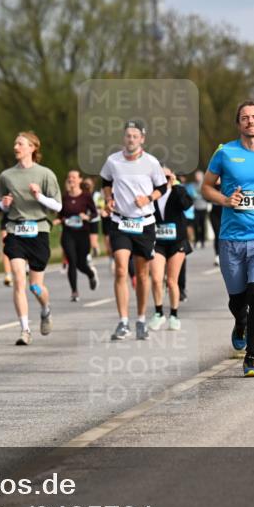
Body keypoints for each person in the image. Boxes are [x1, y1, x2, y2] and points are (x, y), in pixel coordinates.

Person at [202, 100, 254, 377]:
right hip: (231, 238)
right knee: (238, 301)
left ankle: (251, 358)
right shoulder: (225, 153)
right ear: (239, 124)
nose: (250, 121)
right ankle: (240, 322)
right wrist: (226, 200)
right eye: (244, 117)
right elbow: (205, 188)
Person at [101, 120, 167, 341]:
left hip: (144, 223)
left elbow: (162, 187)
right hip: (120, 222)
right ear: (124, 138)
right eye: (128, 136)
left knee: (141, 274)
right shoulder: (113, 161)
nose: (131, 139)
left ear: (142, 139)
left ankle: (140, 320)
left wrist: (148, 198)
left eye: (135, 136)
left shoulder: (151, 162)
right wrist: (109, 199)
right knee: (120, 269)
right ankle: (123, 322)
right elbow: (105, 181)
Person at [0, 131, 62, 346]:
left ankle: (45, 309)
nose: (16, 147)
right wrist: (4, 204)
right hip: (15, 230)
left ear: (32, 147)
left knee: (35, 287)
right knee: (18, 279)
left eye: (20, 143)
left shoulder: (45, 174)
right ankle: (25, 329)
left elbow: (58, 206)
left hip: (39, 231)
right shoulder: (6, 176)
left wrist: (39, 196)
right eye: (15, 143)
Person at [148, 166, 192, 331]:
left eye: (167, 177)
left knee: (172, 281)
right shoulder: (151, 193)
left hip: (177, 241)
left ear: (172, 177)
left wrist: (175, 187)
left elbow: (187, 205)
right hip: (158, 241)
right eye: (161, 177)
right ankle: (159, 313)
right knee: (156, 279)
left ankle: (174, 315)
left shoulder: (178, 190)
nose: (164, 180)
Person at [55, 169, 99, 302]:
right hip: (68, 234)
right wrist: (58, 220)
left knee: (81, 263)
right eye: (69, 177)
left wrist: (87, 216)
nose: (71, 179)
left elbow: (95, 213)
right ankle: (74, 291)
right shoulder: (64, 197)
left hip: (82, 234)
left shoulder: (86, 196)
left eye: (74, 177)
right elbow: (60, 215)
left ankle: (91, 274)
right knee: (72, 262)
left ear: (80, 180)